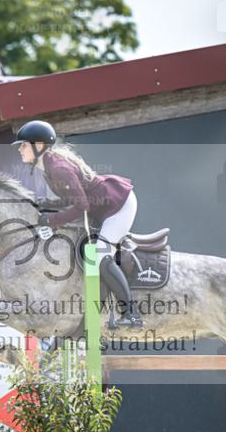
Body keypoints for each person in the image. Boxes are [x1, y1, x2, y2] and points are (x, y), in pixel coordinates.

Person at [13, 120, 142, 328]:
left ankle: (131, 314)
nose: (19, 149)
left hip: (118, 204)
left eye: (24, 145)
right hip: (101, 205)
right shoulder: (47, 166)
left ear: (39, 146)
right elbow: (70, 199)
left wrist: (53, 220)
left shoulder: (58, 168)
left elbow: (81, 206)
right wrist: (44, 204)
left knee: (100, 254)